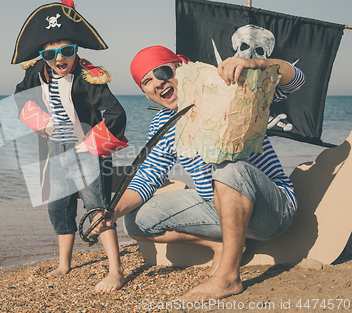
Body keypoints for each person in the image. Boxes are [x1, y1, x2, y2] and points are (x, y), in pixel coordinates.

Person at [92, 45, 305, 300]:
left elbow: (296, 81)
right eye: (147, 81)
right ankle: (222, 244)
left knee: (228, 166)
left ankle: (228, 277)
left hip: (273, 210)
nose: (158, 83)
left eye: (162, 71)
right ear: (146, 95)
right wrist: (110, 212)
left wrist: (256, 64)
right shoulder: (163, 123)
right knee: (137, 219)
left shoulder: (229, 87)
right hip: (217, 208)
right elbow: (147, 178)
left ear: (181, 67)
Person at [11, 0, 128, 292]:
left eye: (67, 51)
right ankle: (64, 263)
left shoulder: (90, 78)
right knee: (58, 206)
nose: (59, 58)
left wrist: (91, 146)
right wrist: (42, 122)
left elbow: (117, 114)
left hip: (86, 147)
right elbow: (20, 96)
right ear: (43, 54)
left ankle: (116, 269)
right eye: (50, 53)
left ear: (76, 50)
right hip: (54, 147)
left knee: (96, 204)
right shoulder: (36, 71)